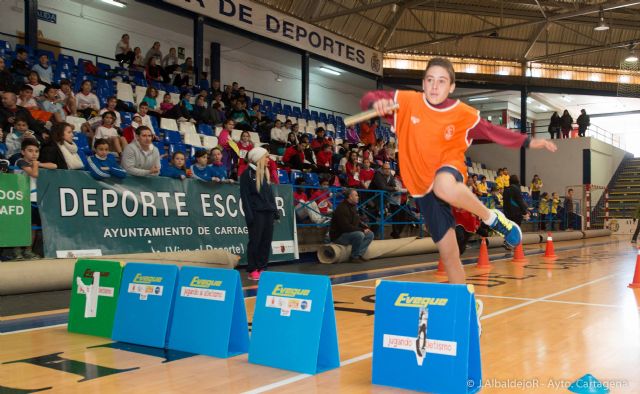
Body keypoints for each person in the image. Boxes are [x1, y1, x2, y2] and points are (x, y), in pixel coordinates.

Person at [362, 57, 557, 284]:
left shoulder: (463, 114)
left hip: (449, 168)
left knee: (444, 185)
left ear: (451, 87)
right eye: (430, 80)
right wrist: (375, 105)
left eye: (442, 81)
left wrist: (529, 142)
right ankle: (463, 309)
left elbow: (494, 132)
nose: (435, 86)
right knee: (450, 256)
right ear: (423, 83)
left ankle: (492, 218)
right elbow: (368, 99)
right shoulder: (405, 101)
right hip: (421, 189)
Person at [240, 147, 278, 281]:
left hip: (268, 213)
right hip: (256, 214)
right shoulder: (247, 174)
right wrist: (249, 216)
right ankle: (253, 269)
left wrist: (275, 211)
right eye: (266, 157)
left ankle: (262, 267)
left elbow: (270, 195)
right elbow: (245, 197)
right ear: (258, 158)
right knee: (255, 241)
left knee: (266, 241)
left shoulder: (265, 173)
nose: (269, 159)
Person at [13, 139, 56, 260]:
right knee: (21, 225)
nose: (34, 154)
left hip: (34, 199)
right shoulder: (20, 161)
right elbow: (34, 174)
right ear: (22, 151)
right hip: (21, 198)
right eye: (30, 151)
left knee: (33, 226)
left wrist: (39, 164)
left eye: (36, 151)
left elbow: (54, 165)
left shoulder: (35, 163)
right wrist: (36, 165)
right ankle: (17, 251)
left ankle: (28, 250)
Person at [329, 189, 374, 263]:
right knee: (359, 234)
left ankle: (359, 255)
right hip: (339, 236)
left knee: (370, 234)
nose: (358, 197)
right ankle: (354, 257)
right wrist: (362, 230)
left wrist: (365, 228)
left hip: (348, 233)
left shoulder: (353, 206)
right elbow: (346, 227)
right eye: (356, 195)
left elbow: (357, 221)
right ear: (350, 197)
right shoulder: (342, 208)